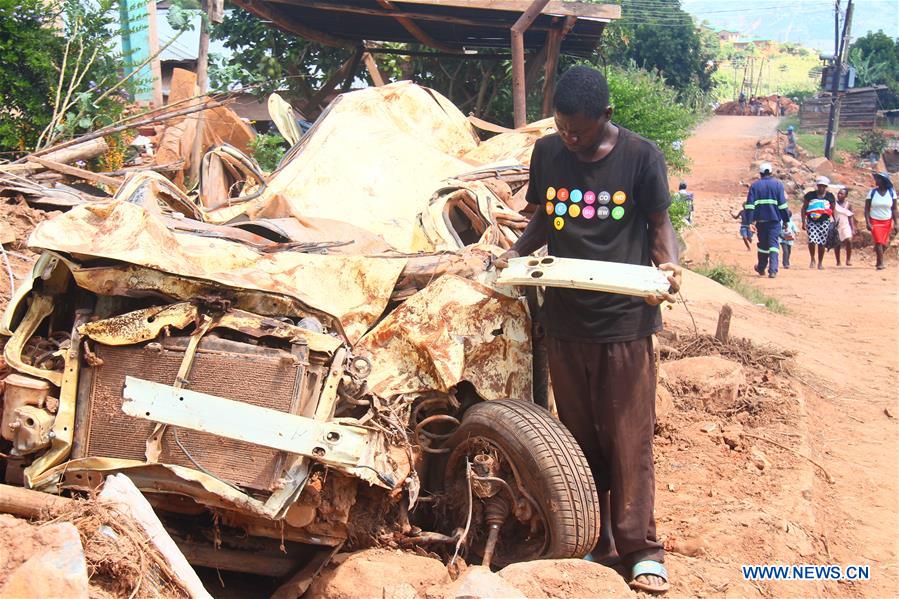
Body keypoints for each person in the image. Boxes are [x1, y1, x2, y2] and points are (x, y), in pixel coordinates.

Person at [494, 65, 680, 594]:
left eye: (581, 129)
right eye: (562, 126)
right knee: (579, 438)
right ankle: (597, 541)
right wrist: (509, 256)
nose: (571, 138)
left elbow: (661, 223)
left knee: (628, 439)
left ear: (607, 116)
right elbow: (545, 220)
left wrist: (666, 267)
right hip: (566, 320)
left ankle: (642, 547)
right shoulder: (550, 153)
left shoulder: (641, 157)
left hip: (623, 323)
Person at [743, 162, 789, 277]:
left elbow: (749, 206)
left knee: (763, 245)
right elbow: (783, 206)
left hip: (761, 221)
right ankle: (773, 270)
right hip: (774, 221)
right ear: (771, 172)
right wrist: (786, 221)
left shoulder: (755, 186)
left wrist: (749, 222)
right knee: (773, 244)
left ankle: (761, 267)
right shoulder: (778, 185)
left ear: (760, 173)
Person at [864, 171, 898, 270]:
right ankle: (881, 263)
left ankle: (878, 260)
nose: (876, 181)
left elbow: (894, 209)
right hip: (875, 220)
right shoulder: (872, 192)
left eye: (878, 179)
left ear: (883, 181)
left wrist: (896, 223)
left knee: (883, 243)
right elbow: (866, 208)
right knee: (878, 241)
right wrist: (868, 222)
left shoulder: (891, 192)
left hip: (887, 221)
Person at [802, 176, 836, 269]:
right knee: (812, 240)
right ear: (817, 186)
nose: (821, 188)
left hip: (824, 221)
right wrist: (803, 222)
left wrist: (835, 221)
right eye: (820, 186)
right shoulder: (810, 195)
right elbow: (804, 208)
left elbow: (833, 209)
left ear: (826, 187)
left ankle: (820, 262)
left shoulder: (830, 196)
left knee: (822, 242)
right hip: (811, 221)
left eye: (823, 186)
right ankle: (812, 258)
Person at [833, 188, 856, 266]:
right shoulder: (834, 204)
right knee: (837, 243)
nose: (839, 195)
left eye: (841, 194)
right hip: (836, 225)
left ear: (846, 195)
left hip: (846, 225)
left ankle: (848, 260)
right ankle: (838, 261)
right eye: (839, 193)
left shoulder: (848, 205)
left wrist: (853, 228)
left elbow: (850, 216)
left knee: (849, 240)